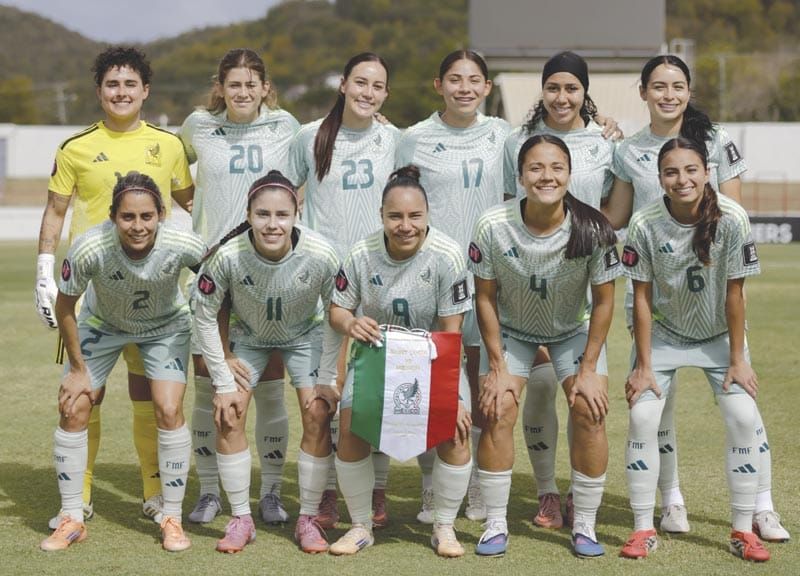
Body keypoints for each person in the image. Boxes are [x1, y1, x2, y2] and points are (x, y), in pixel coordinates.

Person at [604, 54, 789, 541]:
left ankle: (761, 506)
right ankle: (670, 501)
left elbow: (730, 216)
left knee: (743, 405)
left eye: (678, 86)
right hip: (653, 293)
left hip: (708, 292)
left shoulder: (717, 140)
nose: (668, 94)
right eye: (658, 86)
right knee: (654, 410)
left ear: (688, 90)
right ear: (642, 90)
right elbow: (617, 218)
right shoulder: (626, 148)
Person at [34, 45, 193, 529]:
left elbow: (190, 203)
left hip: (155, 292)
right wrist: (45, 268)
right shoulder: (75, 147)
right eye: (111, 84)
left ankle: (154, 494)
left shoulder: (168, 144)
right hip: (91, 290)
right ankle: (77, 498)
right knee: (85, 393)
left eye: (130, 84)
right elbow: (56, 212)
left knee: (150, 394)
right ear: (99, 92)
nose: (121, 92)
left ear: (145, 91)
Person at [620, 137, 770, 562]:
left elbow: (735, 295)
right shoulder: (644, 223)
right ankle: (642, 528)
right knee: (642, 416)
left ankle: (743, 530)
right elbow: (642, 298)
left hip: (718, 337)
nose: (681, 179)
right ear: (660, 178)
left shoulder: (733, 218)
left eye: (691, 170)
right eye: (671, 172)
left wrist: (738, 359)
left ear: (707, 172)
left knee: (743, 417)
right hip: (664, 336)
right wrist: (643, 366)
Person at [470, 135, 620, 558]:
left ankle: (585, 524)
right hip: (515, 330)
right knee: (497, 405)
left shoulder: (593, 228)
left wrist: (588, 369)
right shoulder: (492, 225)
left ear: (570, 174)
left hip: (571, 330)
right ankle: (496, 522)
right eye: (535, 168)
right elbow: (485, 297)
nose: (546, 176)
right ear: (520, 176)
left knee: (590, 409)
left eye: (556, 167)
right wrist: (498, 366)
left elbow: (605, 301)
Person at [40, 172, 204, 552]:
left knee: (167, 408)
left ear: (161, 214)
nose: (138, 226)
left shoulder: (182, 242)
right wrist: (79, 370)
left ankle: (172, 518)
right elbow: (65, 305)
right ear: (113, 216)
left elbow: (216, 276)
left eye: (146, 216)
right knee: (74, 405)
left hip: (165, 326)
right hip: (103, 324)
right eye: (128, 217)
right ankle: (71, 517)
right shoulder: (89, 248)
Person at [179, 48, 300, 526]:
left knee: (269, 388)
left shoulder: (285, 126)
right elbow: (173, 170)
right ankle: (209, 491)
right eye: (234, 85)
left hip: (268, 273)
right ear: (221, 87)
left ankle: (270, 492)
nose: (243, 92)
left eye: (252, 84)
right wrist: (197, 209)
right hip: (210, 273)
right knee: (209, 389)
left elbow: (301, 182)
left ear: (265, 87)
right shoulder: (197, 126)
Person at [193, 170, 342, 554]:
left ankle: (307, 518)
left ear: (297, 214)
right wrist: (223, 368)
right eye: (262, 214)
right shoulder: (228, 256)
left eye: (281, 214)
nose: (272, 224)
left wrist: (329, 375)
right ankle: (241, 517)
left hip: (304, 335)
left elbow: (337, 314)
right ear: (248, 213)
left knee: (317, 412)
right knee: (229, 411)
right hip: (250, 338)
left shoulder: (321, 254)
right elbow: (206, 314)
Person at [328, 166, 473, 557]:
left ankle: (444, 526)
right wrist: (352, 322)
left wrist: (454, 396)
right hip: (377, 359)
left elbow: (451, 330)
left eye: (414, 216)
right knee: (351, 425)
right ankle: (360, 525)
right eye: (395, 216)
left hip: (433, 360)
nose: (405, 225)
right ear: (381, 216)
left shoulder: (447, 254)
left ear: (427, 216)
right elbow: (337, 310)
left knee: (457, 428)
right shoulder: (361, 253)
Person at [502, 50, 617, 529]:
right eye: (553, 87)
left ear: (585, 93)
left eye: (572, 88)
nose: (562, 96)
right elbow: (508, 208)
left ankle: (579, 495)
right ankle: (547, 492)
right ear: (542, 91)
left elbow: (616, 207)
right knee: (539, 390)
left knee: (587, 397)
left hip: (586, 282)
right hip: (530, 281)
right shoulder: (517, 143)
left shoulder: (606, 143)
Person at [396, 49, 511, 523]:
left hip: (488, 279)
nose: (465, 87)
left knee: (484, 388)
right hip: (431, 279)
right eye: (455, 79)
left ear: (487, 88)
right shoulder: (413, 139)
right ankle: (431, 487)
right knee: (434, 388)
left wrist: (600, 120)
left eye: (474, 80)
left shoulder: (504, 136)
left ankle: (481, 487)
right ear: (437, 84)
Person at [287, 52, 399, 529]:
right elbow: (280, 196)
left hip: (379, 280)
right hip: (322, 286)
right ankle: (327, 493)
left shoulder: (396, 140)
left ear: (386, 95)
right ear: (343, 85)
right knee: (326, 394)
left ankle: (375, 489)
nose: (367, 92)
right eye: (360, 82)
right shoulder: (309, 137)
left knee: (374, 392)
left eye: (377, 86)